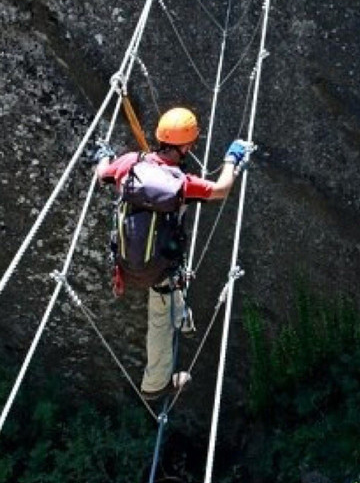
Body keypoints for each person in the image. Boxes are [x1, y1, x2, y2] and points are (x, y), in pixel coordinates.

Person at [94, 107, 251, 400]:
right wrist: (232, 159)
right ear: (188, 146)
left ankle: (182, 319)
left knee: (166, 294)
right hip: (160, 270)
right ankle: (155, 385)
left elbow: (102, 173)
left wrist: (102, 154)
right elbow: (220, 189)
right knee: (160, 320)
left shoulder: (129, 164)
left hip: (126, 265)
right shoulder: (181, 183)